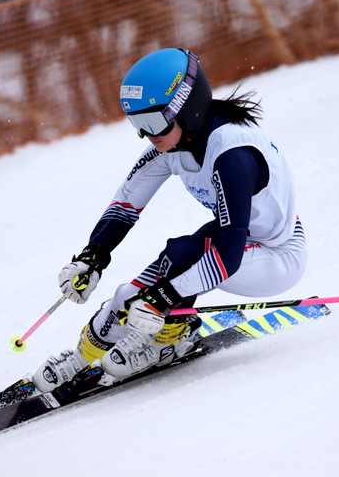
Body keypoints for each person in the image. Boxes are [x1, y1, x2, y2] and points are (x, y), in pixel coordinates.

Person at [32, 48, 308, 391]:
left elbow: (228, 254)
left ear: (187, 107)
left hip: (276, 255)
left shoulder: (233, 154)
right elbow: (125, 205)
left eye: (155, 122)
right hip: (232, 240)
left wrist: (165, 297)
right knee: (128, 297)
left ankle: (170, 338)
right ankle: (79, 359)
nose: (149, 135)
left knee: (180, 258)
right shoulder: (173, 143)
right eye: (139, 125)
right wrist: (93, 257)